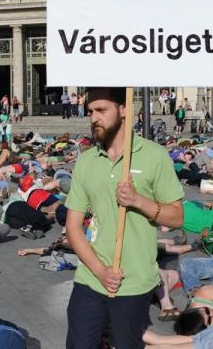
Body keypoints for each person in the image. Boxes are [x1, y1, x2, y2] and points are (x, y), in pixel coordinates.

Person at [65, 87, 184, 349]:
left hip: (135, 282)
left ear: (123, 109)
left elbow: (176, 217)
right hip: (90, 278)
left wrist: (138, 200)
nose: (93, 118)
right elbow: (72, 227)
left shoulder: (154, 156)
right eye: (90, 112)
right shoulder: (86, 162)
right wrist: (100, 271)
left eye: (101, 110)